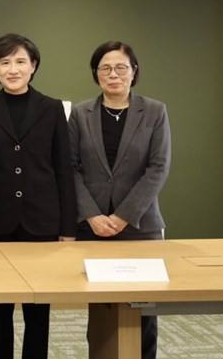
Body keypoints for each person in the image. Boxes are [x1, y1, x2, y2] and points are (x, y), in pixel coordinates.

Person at [0, 33, 76, 359]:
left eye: (20, 61)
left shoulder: (52, 108)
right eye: (5, 62)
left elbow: (64, 171)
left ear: (33, 66)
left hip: (42, 222)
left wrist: (67, 229)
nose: (13, 69)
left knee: (38, 310)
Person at [69, 41, 170, 359]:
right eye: (105, 68)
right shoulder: (80, 114)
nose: (113, 74)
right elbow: (70, 169)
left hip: (140, 226)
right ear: (96, 74)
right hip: (93, 227)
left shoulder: (154, 111)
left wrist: (124, 215)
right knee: (100, 309)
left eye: (121, 67)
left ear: (134, 72)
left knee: (143, 309)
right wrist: (91, 215)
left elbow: (158, 168)